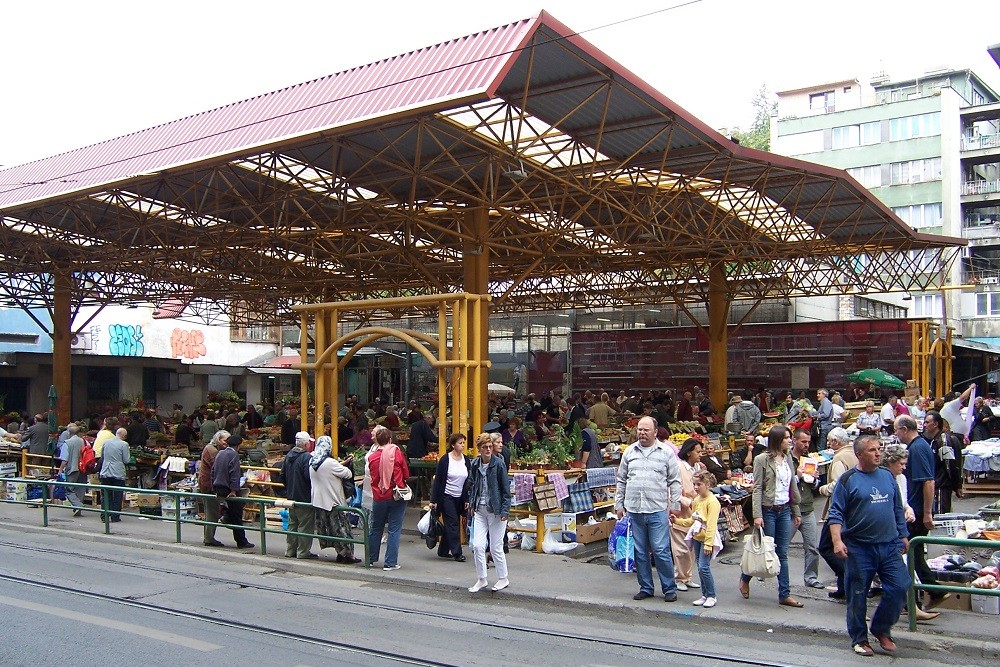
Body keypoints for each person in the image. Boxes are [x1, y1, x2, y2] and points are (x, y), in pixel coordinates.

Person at [828, 434, 911, 657]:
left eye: (879, 449)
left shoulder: (887, 476)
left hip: (889, 545)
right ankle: (860, 639)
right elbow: (835, 513)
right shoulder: (848, 480)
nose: (878, 453)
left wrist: (903, 535)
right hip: (859, 548)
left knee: (900, 586)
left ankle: (881, 628)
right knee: (857, 594)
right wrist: (837, 541)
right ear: (859, 455)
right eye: (873, 450)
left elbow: (897, 509)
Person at [614, 416, 682, 602]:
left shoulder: (666, 452)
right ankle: (646, 587)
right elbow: (621, 480)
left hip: (657, 509)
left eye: (646, 430)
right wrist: (619, 504)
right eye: (640, 430)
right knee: (640, 551)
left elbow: (675, 481)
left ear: (655, 432)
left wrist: (675, 505)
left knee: (660, 550)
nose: (642, 433)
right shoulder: (629, 452)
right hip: (635, 509)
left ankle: (669, 588)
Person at [739, 424, 803, 607]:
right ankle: (745, 577)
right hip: (768, 510)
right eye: (786, 438)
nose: (790, 441)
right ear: (777, 440)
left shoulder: (788, 457)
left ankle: (784, 594)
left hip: (784, 509)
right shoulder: (762, 460)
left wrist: (796, 511)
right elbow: (757, 488)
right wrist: (757, 515)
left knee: (782, 551)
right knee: (765, 549)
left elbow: (791, 486)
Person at [895, 414, 948, 611]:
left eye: (896, 430)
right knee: (914, 554)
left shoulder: (917, 449)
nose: (895, 434)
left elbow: (928, 481)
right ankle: (931, 592)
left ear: (905, 429)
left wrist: (927, 513)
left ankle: (924, 596)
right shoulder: (918, 446)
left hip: (916, 511)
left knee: (911, 553)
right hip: (915, 509)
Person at [467, 433, 512, 593]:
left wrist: (505, 510)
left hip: (496, 511)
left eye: (490, 447)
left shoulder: (498, 464)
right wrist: (471, 504)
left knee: (495, 547)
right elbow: (472, 485)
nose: (487, 449)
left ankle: (503, 578)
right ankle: (481, 579)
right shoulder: (474, 464)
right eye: (484, 447)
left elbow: (506, 490)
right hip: (479, 509)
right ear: (479, 449)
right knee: (478, 546)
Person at [817, 427, 857, 600]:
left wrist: (822, 488)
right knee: (843, 545)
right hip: (853, 508)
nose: (828, 444)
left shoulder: (839, 458)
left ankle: (850, 578)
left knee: (826, 547)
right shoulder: (855, 454)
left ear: (835, 442)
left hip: (839, 510)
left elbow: (838, 484)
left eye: (830, 441)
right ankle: (843, 588)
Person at [309, 435, 361, 564]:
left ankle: (339, 553)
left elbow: (328, 469)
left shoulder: (312, 461)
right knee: (342, 529)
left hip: (318, 501)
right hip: (333, 502)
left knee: (330, 530)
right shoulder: (330, 463)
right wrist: (346, 464)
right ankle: (347, 555)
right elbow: (347, 473)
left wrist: (340, 464)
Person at [674, 470, 721, 608]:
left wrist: (708, 544)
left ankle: (711, 595)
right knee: (700, 568)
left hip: (706, 538)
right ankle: (705, 594)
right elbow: (692, 520)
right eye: (693, 484)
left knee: (703, 567)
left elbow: (711, 525)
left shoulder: (712, 502)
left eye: (698, 484)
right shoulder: (696, 500)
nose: (695, 487)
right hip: (697, 537)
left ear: (707, 484)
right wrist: (677, 521)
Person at [368, 427, 409, 570]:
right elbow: (406, 473)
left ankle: (371, 559)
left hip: (378, 496)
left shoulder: (371, 457)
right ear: (390, 440)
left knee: (376, 527)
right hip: (396, 495)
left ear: (377, 441)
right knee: (394, 529)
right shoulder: (396, 453)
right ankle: (390, 562)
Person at [430, 433, 472, 562]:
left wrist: (467, 500)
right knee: (453, 523)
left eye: (464, 443)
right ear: (453, 445)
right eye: (460, 443)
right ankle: (457, 552)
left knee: (451, 524)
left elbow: (468, 481)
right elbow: (438, 481)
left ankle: (443, 550)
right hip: (446, 496)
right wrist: (433, 500)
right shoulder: (445, 460)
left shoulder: (466, 460)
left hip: (460, 497)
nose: (463, 445)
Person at [790, 428, 823, 589]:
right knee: (781, 546)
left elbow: (815, 486)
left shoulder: (809, 459)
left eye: (808, 442)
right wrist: (797, 476)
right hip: (790, 510)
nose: (806, 445)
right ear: (794, 440)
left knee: (811, 546)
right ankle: (769, 571)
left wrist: (815, 479)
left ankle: (811, 577)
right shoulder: (787, 460)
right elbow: (784, 485)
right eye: (803, 441)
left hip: (808, 508)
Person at [673, 438, 704, 592]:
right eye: (697, 451)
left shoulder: (697, 467)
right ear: (689, 452)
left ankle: (687, 577)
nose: (700, 454)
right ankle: (679, 577)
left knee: (691, 547)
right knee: (680, 548)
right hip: (680, 511)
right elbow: (673, 490)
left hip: (694, 512)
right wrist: (686, 501)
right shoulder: (678, 467)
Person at [212, 435, 254, 550]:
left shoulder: (220, 453)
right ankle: (241, 541)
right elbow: (234, 473)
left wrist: (213, 485)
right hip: (229, 488)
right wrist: (234, 490)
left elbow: (213, 470)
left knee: (230, 510)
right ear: (238, 445)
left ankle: (226, 517)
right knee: (236, 515)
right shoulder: (233, 455)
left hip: (218, 486)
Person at [280, 431, 317, 559]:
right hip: (304, 497)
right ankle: (303, 552)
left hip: (291, 497)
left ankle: (290, 551)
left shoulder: (289, 455)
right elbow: (308, 477)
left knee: (292, 525)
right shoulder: (306, 457)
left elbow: (282, 476)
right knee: (305, 526)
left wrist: (289, 490)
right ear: (306, 444)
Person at [923, 411, 963, 514]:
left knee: (941, 517)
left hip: (942, 486)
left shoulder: (943, 441)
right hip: (937, 485)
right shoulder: (934, 440)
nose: (924, 425)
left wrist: (957, 485)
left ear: (936, 424)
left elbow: (950, 464)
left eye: (927, 422)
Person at [199, 430, 229, 547]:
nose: (227, 443)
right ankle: (209, 538)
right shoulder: (212, 450)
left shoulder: (213, 449)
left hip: (209, 484)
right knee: (212, 512)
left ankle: (209, 537)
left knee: (212, 511)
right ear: (218, 440)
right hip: (209, 485)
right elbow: (217, 466)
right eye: (225, 440)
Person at [98, 427, 130, 522]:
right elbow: (126, 460)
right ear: (123, 436)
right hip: (118, 472)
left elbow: (102, 456)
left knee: (105, 495)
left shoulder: (106, 442)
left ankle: (104, 515)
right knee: (117, 495)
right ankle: (115, 516)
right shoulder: (124, 444)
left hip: (105, 471)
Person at [59, 424, 86, 517]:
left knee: (69, 489)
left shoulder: (67, 443)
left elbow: (64, 459)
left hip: (72, 468)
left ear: (69, 433)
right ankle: (78, 507)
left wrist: (60, 469)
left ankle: (78, 505)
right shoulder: (83, 441)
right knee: (80, 488)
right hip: (82, 468)